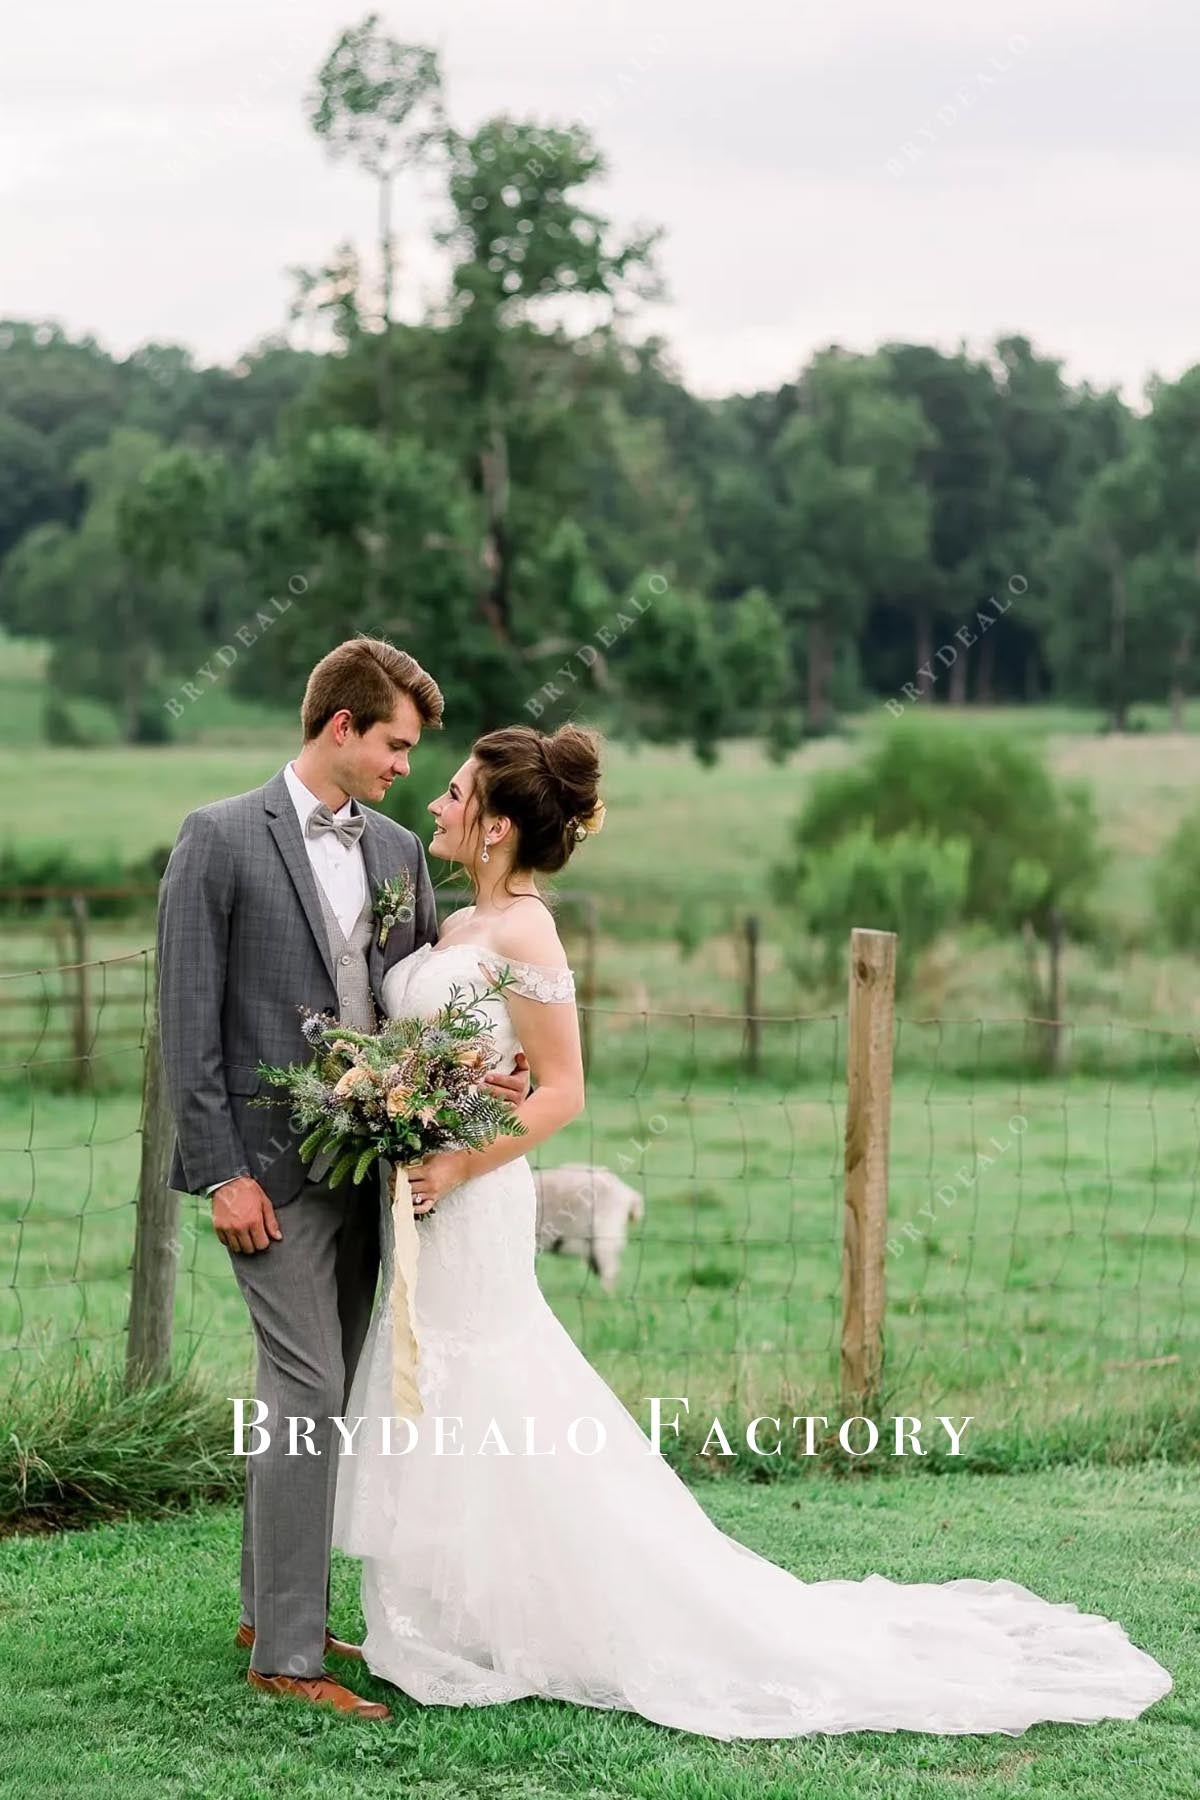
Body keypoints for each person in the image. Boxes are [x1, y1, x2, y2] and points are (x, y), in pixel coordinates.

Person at [332, 720, 1174, 1740]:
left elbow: (563, 1092)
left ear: (500, 826)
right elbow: (437, 1047)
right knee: (441, 1382)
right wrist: (387, 1095)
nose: (436, 803)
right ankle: (445, 1614)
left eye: (457, 791)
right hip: (424, 1196)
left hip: (475, 1196)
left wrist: (460, 1157)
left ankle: (552, 1612)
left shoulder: (526, 935)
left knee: (488, 1382)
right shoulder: (457, 924)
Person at [155, 636, 529, 1722]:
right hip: (265, 1179)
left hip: (376, 1179)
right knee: (309, 1391)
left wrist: (469, 1073)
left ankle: (268, 1605)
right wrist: (221, 1172)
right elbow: (186, 1024)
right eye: (398, 745)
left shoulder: (401, 851)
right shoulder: (218, 840)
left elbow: (411, 998)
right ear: (340, 730)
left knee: (317, 1397)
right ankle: (288, 1653)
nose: (408, 766)